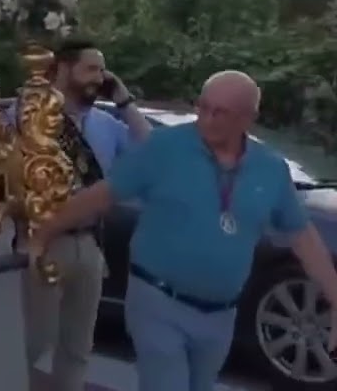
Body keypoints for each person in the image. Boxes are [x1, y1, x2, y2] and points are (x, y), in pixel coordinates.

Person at [32, 70, 337, 391]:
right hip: (157, 299)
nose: (207, 118)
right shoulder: (165, 148)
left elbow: (303, 237)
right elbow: (101, 195)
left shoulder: (270, 169)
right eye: (203, 107)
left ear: (248, 117)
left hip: (220, 315)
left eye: (220, 112)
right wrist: (44, 232)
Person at [20, 39, 150, 391]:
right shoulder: (30, 116)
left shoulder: (106, 124)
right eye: (90, 68)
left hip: (91, 244)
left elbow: (153, 151)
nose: (101, 76)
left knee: (78, 349)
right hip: (44, 244)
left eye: (102, 69)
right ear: (63, 68)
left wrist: (123, 100)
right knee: (36, 347)